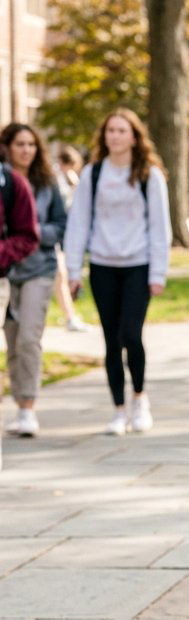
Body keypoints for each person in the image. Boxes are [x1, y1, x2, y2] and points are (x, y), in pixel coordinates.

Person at [64, 108, 171, 436]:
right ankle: (118, 409)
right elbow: (79, 221)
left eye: (122, 130)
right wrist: (73, 269)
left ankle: (139, 398)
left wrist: (158, 272)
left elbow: (159, 225)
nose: (115, 136)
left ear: (134, 136)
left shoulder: (148, 174)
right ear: (104, 136)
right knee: (111, 340)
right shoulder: (93, 174)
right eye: (110, 130)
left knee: (130, 334)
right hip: (102, 265)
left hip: (137, 264)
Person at [1, 124, 67, 438]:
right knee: (12, 342)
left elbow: (61, 225)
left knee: (29, 337)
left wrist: (35, 232)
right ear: (7, 147)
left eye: (31, 144)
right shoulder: (4, 183)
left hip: (38, 268)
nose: (26, 150)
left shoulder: (47, 183)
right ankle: (18, 402)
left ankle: (28, 408)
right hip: (7, 271)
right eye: (19, 144)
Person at [53, 145, 88, 332]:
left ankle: (70, 316)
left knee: (62, 276)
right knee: (61, 275)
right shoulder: (55, 177)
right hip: (56, 234)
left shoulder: (67, 178)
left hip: (64, 233)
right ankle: (70, 317)